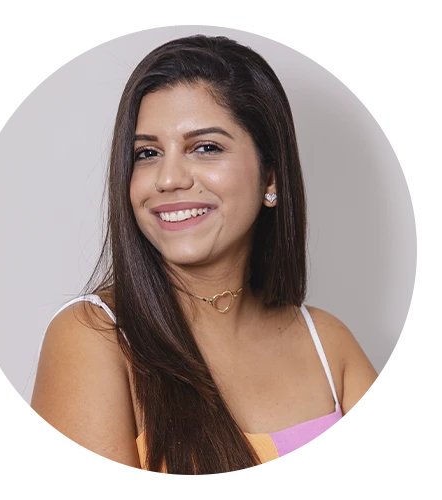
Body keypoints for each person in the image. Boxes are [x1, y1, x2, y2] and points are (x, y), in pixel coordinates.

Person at [30, 34, 384, 475]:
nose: (168, 179)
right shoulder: (93, 338)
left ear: (270, 177)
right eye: (147, 153)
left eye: (205, 147)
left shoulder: (329, 345)